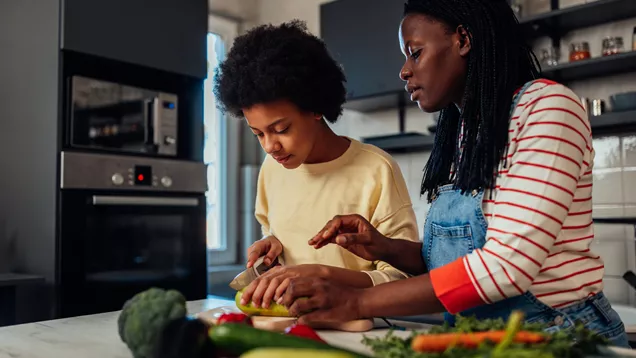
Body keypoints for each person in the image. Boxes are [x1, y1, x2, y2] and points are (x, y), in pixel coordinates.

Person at [278, 0, 630, 347]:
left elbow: (505, 267)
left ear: (462, 39)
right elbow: (458, 261)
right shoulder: (465, 131)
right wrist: (385, 247)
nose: (403, 70)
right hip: (478, 337)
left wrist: (354, 301)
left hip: (559, 336)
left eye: (415, 53)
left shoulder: (547, 109)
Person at [212, 20, 420, 310]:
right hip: (289, 326)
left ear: (315, 108)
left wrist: (323, 276)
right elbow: (279, 239)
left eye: (281, 129)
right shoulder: (272, 170)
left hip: (356, 328)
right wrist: (272, 249)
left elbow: (402, 277)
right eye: (258, 133)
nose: (270, 146)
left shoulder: (376, 170)